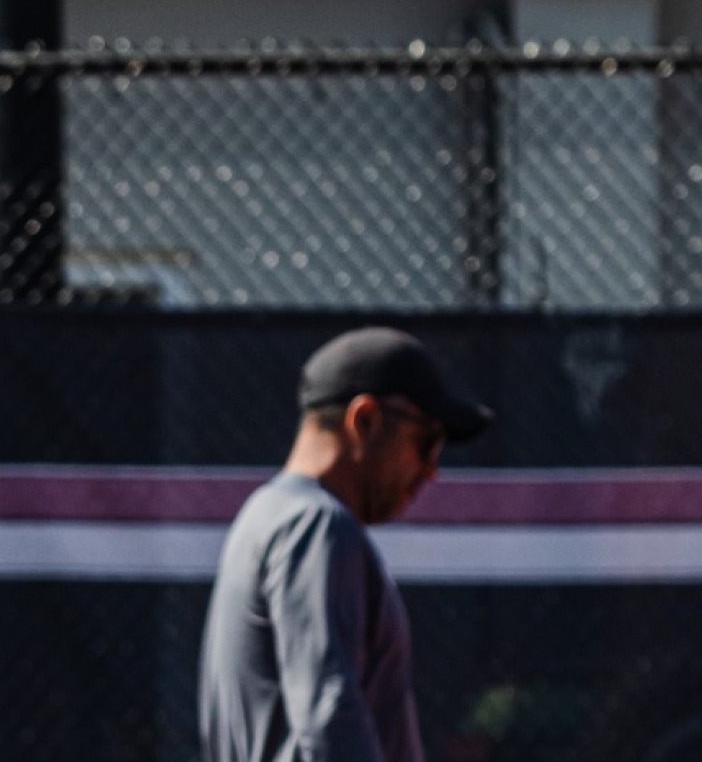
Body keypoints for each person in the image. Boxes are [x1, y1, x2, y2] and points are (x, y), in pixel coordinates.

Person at [198, 326, 493, 762]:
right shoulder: (316, 524)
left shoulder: (266, 515)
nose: (432, 470)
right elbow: (329, 716)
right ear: (365, 420)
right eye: (426, 441)